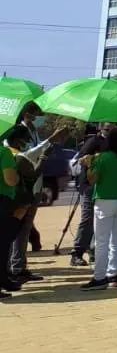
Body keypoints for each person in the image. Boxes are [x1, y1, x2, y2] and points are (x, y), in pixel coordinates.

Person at [81, 127, 117, 290]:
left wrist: (89, 164)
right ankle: (112, 274)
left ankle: (99, 277)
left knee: (101, 240)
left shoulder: (103, 158)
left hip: (105, 200)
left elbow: (92, 179)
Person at [9, 102, 60, 282]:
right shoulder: (16, 133)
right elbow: (25, 156)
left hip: (36, 184)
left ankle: (21, 266)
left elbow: (37, 155)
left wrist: (48, 149)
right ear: (25, 113)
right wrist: (50, 141)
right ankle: (15, 267)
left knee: (26, 227)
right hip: (23, 187)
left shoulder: (34, 132)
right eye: (34, 114)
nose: (37, 118)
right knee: (17, 228)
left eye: (39, 114)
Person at [68, 124, 107, 267]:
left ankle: (93, 251)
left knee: (101, 219)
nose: (109, 132)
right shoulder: (94, 141)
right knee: (88, 218)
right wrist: (95, 157)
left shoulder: (115, 144)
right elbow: (81, 159)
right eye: (107, 129)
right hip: (89, 185)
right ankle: (77, 252)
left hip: (104, 186)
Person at [0, 129, 23, 297]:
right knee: (2, 243)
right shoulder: (4, 153)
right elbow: (10, 179)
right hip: (2, 200)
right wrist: (18, 177)